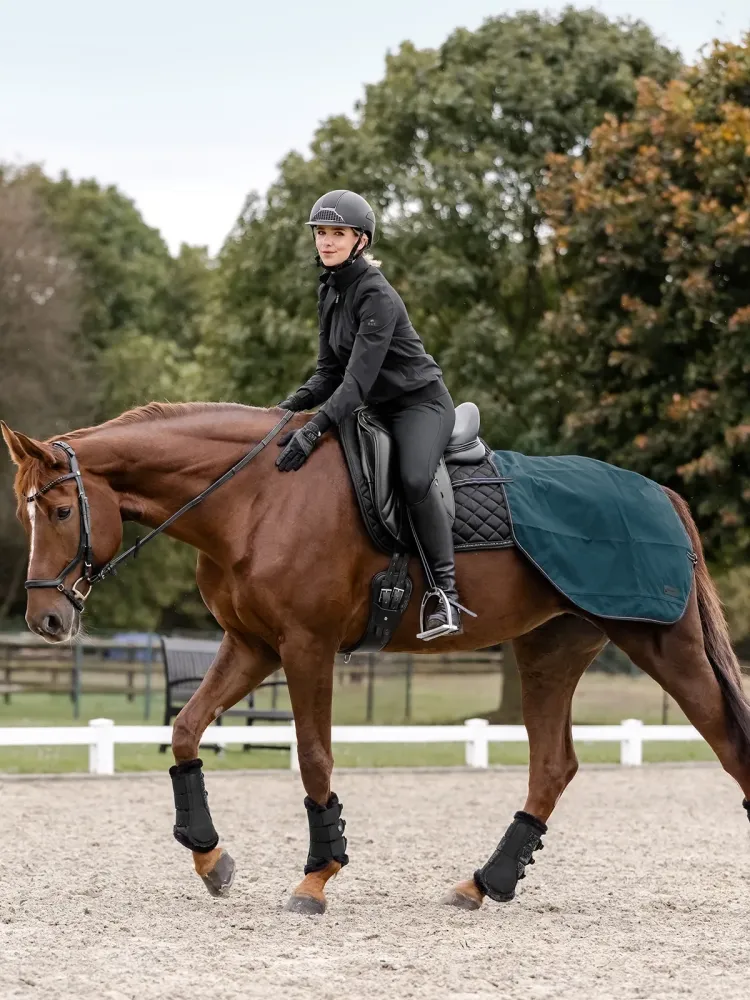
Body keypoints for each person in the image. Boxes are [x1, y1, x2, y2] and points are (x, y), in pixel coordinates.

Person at [275, 189, 467, 639]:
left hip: (420, 405)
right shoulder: (329, 290)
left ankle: (445, 595)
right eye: (321, 233)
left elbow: (355, 383)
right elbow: (328, 373)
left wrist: (314, 429)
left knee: (414, 478)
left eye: (337, 233)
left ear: (360, 240)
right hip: (376, 410)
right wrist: (283, 412)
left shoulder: (376, 295)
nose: (326, 242)